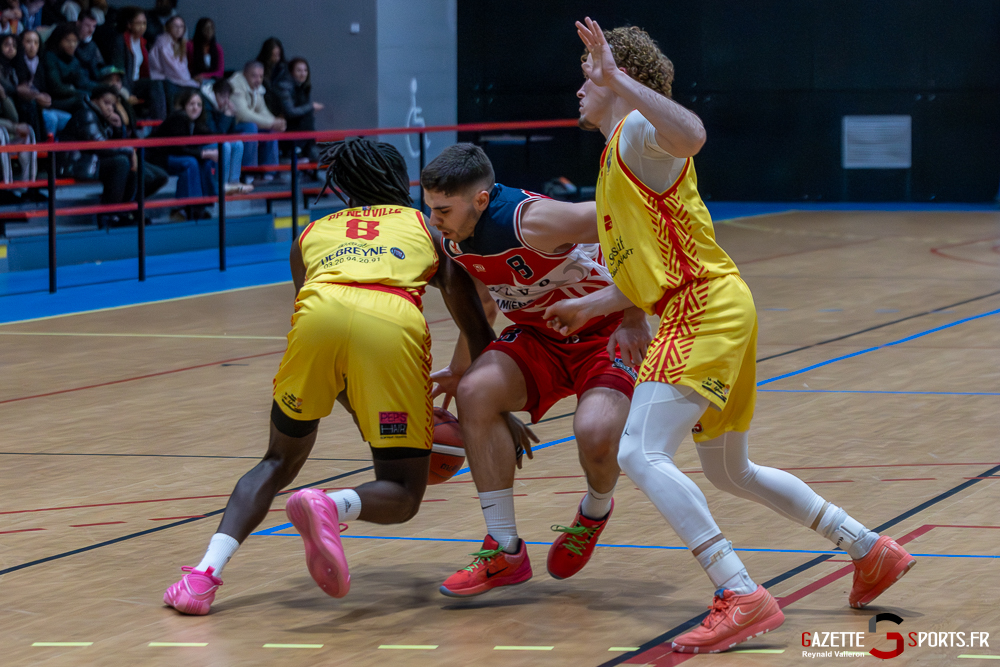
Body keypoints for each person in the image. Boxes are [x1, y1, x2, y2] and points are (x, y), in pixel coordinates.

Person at [545, 18, 917, 654]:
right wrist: (596, 307)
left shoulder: (638, 132)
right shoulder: (617, 157)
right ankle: (868, 548)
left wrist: (619, 82)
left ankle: (739, 591)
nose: (581, 86)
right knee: (730, 469)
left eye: (590, 75)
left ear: (621, 79)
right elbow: (647, 272)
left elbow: (693, 134)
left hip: (703, 308)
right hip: (714, 303)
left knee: (639, 452)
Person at [162, 137, 528, 615]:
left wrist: (360, 410)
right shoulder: (428, 229)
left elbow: (328, 336)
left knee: (275, 460)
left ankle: (203, 578)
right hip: (391, 324)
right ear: (398, 181)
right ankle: (331, 505)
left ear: (344, 185)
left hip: (318, 319)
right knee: (402, 491)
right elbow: (476, 330)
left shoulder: (309, 234)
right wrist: (498, 412)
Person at [423, 144, 650, 598]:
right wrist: (458, 367)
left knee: (597, 435)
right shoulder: (453, 236)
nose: (435, 220)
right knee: (475, 392)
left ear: (482, 200)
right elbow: (486, 303)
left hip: (601, 334)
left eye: (443, 209)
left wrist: (632, 315)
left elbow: (635, 220)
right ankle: (504, 551)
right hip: (540, 338)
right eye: (429, 208)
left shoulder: (535, 221)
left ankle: (594, 512)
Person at [59, 83, 167, 225]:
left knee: (159, 176)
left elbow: (116, 144)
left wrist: (118, 128)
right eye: (106, 103)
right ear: (94, 101)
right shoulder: (86, 114)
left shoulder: (105, 118)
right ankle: (109, 214)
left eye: (113, 104)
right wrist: (129, 151)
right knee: (122, 162)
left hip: (97, 160)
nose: (110, 108)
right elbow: (100, 146)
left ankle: (126, 209)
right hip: (78, 162)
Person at [148, 87, 215, 220]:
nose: (196, 108)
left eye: (199, 105)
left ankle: (200, 206)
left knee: (203, 162)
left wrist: (227, 115)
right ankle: (187, 207)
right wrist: (204, 153)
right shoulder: (179, 117)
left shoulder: (196, 123)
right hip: (157, 157)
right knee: (191, 162)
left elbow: (215, 136)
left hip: (172, 155)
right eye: (191, 104)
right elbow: (177, 148)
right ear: (184, 105)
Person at [228, 60, 282, 182]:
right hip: (231, 127)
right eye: (254, 75)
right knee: (251, 127)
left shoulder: (256, 88)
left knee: (270, 129)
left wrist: (275, 122)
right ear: (245, 74)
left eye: (261, 76)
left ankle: (270, 173)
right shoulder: (235, 84)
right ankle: (248, 172)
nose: (258, 79)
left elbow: (262, 110)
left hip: (245, 124)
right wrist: (271, 123)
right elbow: (243, 114)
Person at [110, 7, 166, 119]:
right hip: (125, 85)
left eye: (144, 23)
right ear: (129, 25)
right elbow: (119, 70)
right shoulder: (121, 41)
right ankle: (159, 124)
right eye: (138, 23)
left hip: (136, 83)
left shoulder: (142, 42)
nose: (142, 27)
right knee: (155, 86)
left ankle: (161, 122)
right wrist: (126, 94)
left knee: (161, 84)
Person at [13, 29, 69, 138]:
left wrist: (46, 98)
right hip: (27, 107)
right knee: (52, 119)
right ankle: (46, 152)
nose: (32, 46)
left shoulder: (41, 62)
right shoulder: (16, 62)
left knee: (68, 119)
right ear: (21, 43)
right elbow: (19, 90)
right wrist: (36, 96)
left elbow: (46, 88)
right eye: (28, 42)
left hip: (43, 106)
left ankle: (58, 151)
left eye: (36, 42)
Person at [203, 79, 251, 194]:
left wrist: (231, 115)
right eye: (224, 97)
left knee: (238, 143)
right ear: (215, 94)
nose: (226, 101)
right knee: (225, 146)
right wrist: (226, 116)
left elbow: (231, 133)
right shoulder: (206, 106)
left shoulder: (221, 107)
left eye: (228, 97)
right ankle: (222, 184)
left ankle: (234, 182)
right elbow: (215, 134)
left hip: (216, 140)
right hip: (202, 143)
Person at [274, 56, 321, 162]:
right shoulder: (284, 88)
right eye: (299, 70)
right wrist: (311, 107)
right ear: (291, 72)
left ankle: (308, 149)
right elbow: (290, 112)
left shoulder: (303, 88)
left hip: (304, 132)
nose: (303, 74)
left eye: (305, 70)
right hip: (289, 130)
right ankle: (303, 151)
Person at [42, 22, 95, 112]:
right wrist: (78, 91)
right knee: (83, 101)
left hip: (71, 97)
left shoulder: (74, 60)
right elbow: (56, 88)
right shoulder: (49, 57)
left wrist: (106, 88)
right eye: (68, 40)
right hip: (52, 101)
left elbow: (84, 83)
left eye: (75, 41)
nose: (72, 45)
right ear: (58, 40)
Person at [147, 13, 197, 107]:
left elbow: (183, 66)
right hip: (164, 79)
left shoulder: (180, 44)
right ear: (168, 27)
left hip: (177, 78)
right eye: (175, 26)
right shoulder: (163, 43)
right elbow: (171, 68)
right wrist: (186, 80)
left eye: (181, 26)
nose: (178, 29)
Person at [186, 17, 222, 83]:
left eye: (211, 28)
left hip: (213, 80)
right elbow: (188, 67)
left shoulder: (217, 48)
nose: (209, 31)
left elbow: (220, 72)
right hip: (194, 79)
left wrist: (204, 76)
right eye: (206, 29)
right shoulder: (190, 46)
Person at [254, 35, 284, 116]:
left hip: (280, 104)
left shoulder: (283, 68)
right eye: (274, 55)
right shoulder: (258, 67)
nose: (276, 58)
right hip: (264, 103)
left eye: (278, 55)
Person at [74, 9, 105, 81]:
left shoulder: (92, 45)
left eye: (94, 26)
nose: (91, 30)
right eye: (87, 25)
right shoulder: (69, 42)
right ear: (78, 23)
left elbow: (98, 67)